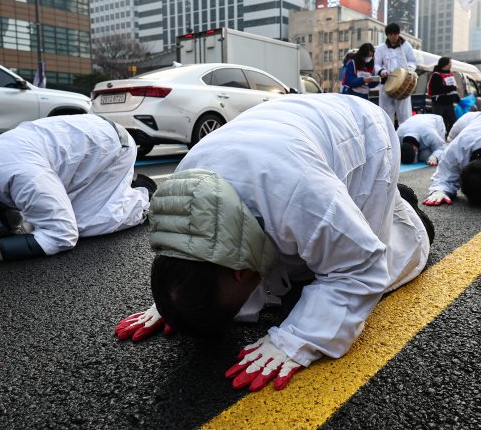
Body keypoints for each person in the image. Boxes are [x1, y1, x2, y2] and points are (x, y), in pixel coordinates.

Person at [114, 94, 433, 392]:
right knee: (303, 257)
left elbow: (359, 265)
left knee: (355, 252)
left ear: (240, 273)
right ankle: (384, 203)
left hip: (365, 136)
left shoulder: (304, 196)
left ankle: (410, 217)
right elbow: (192, 250)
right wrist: (178, 301)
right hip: (293, 134)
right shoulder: (187, 188)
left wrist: (300, 339)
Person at [0, 115, 154, 264]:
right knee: (43, 217)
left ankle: (142, 195)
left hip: (111, 146)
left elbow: (62, 236)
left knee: (85, 223)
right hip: (80, 140)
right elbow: (9, 213)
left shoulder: (21, 177)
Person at [374, 22, 417, 127]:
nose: (393, 36)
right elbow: (376, 65)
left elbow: (413, 61)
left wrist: (409, 70)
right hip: (386, 85)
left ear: (398, 34)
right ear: (387, 35)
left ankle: (405, 137)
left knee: (405, 114)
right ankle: (388, 137)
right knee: (386, 113)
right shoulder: (381, 48)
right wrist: (382, 72)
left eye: (395, 34)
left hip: (403, 84)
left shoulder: (406, 46)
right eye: (390, 34)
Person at [426, 56, 459, 133]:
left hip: (449, 103)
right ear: (444, 64)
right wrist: (452, 88)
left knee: (452, 121)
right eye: (449, 63)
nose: (451, 65)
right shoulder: (436, 75)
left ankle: (449, 136)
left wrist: (457, 98)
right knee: (439, 122)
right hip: (439, 103)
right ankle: (439, 136)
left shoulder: (450, 74)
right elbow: (437, 89)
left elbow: (453, 89)